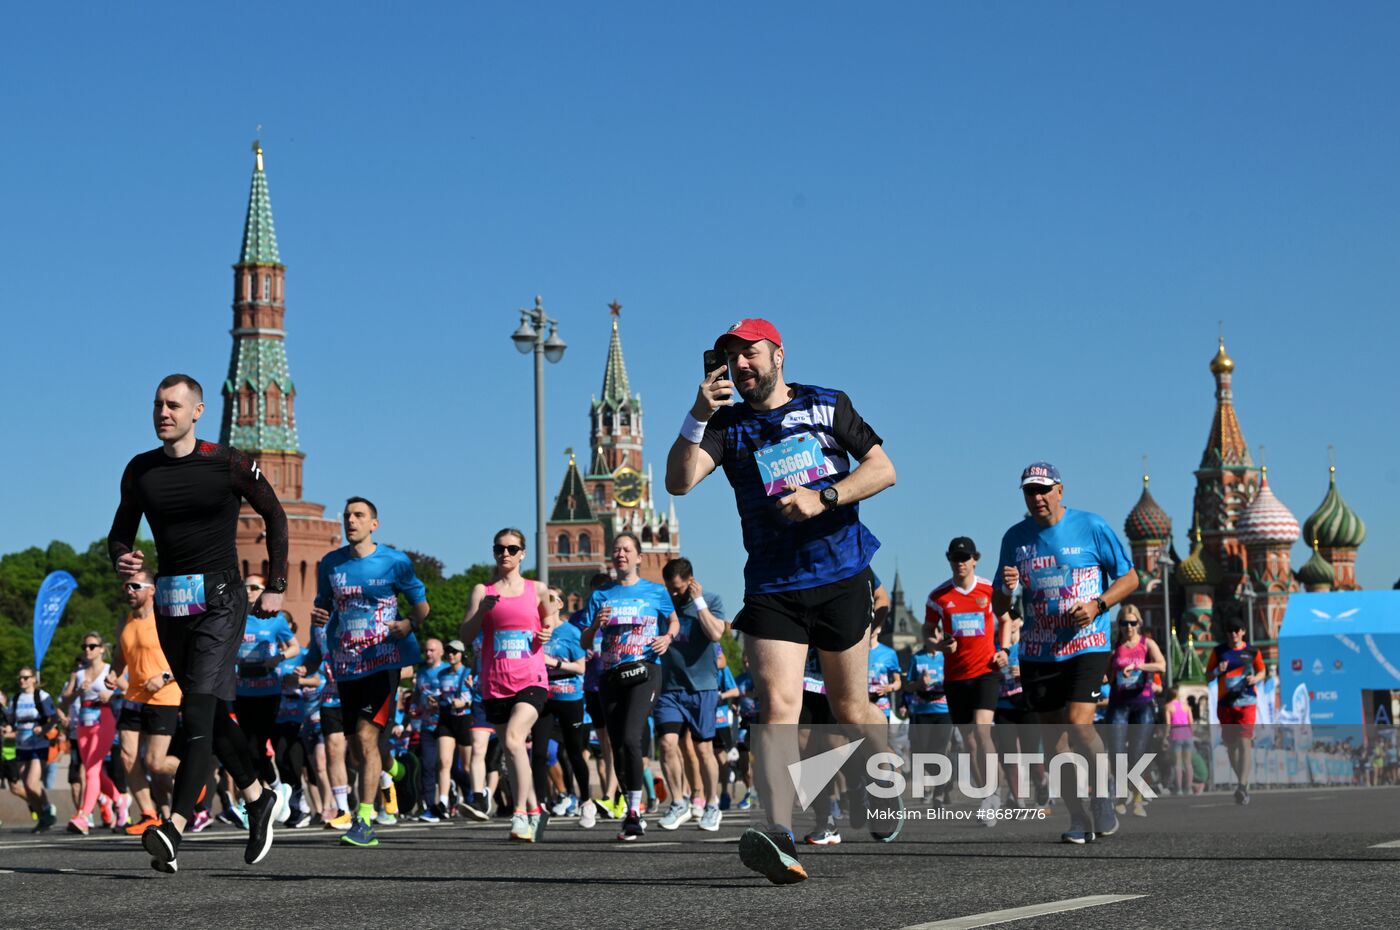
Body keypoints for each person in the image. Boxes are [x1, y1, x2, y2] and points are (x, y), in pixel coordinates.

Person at [665, 318, 898, 884]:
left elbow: (883, 469)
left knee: (851, 710)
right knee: (777, 707)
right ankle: (779, 835)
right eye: (731, 357)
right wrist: (697, 412)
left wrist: (826, 497)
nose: (741, 365)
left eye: (750, 354)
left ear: (778, 355)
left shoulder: (827, 404)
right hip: (772, 585)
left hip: (842, 573)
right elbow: (677, 482)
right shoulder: (726, 427)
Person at [108, 373, 287, 872]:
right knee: (210, 713)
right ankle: (257, 798)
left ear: (198, 412)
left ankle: (175, 828)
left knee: (197, 712)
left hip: (222, 600)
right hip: (171, 605)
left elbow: (275, 516)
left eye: (173, 406)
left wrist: (274, 584)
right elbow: (120, 533)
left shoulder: (226, 462)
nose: (163, 413)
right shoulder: (140, 471)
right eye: (157, 405)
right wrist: (122, 557)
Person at [991, 462, 1138, 844]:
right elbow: (999, 607)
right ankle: (1077, 815)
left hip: (1086, 643)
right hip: (1039, 650)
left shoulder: (1091, 526)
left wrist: (1099, 606)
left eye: (1043, 489)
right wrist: (1006, 590)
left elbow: (1130, 577)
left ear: (1060, 490)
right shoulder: (1015, 538)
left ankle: (1102, 795)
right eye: (1029, 491)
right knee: (1055, 740)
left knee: (1079, 723)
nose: (1037, 498)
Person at [308, 496, 430, 848]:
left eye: (359, 515)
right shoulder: (331, 563)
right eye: (347, 515)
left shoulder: (394, 561)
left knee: (365, 737)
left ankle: (364, 821)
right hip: (346, 664)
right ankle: (394, 769)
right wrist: (320, 615)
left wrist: (408, 623)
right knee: (359, 751)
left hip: (382, 659)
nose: (351, 520)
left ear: (373, 524)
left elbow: (421, 606)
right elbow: (324, 605)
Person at [580, 532, 679, 842]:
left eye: (626, 549)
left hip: (645, 671)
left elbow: (674, 621)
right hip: (610, 675)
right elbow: (585, 641)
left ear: (638, 557)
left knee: (632, 737)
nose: (620, 554)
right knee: (618, 744)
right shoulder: (601, 595)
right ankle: (630, 807)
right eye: (616, 550)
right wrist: (596, 624)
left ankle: (634, 812)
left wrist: (667, 637)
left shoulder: (655, 592)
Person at [460, 528, 557, 842]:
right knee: (513, 752)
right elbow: (464, 636)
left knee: (515, 740)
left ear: (522, 554)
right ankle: (534, 810)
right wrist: (483, 612)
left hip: (531, 678)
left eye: (512, 549)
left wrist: (547, 631)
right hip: (496, 681)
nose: (505, 554)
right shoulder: (483, 590)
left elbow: (551, 616)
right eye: (499, 549)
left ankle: (519, 814)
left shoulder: (536, 589)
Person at [927, 536, 1008, 822]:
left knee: (981, 729)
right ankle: (988, 791)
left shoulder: (988, 589)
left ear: (975, 559)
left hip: (986, 672)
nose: (960, 563)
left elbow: (1007, 619)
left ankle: (993, 795)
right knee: (969, 741)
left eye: (965, 558)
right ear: (949, 560)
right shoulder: (939, 597)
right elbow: (928, 631)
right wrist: (938, 646)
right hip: (955, 676)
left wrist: (1005, 650)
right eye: (955, 558)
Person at [656, 557, 729, 832]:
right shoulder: (664, 606)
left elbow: (716, 634)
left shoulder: (711, 599)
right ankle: (678, 802)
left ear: (691, 581)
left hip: (702, 687)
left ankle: (711, 804)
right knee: (667, 744)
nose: (674, 594)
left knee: (702, 749)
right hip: (669, 688)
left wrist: (699, 604)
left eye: (677, 588)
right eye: (669, 588)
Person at [109, 571, 182, 834]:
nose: (128, 590)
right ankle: (148, 814)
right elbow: (120, 657)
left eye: (135, 586)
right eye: (126, 586)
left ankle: (191, 777)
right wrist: (113, 673)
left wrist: (163, 677)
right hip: (133, 696)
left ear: (152, 590)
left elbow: (187, 657)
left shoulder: (165, 619)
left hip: (165, 695)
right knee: (127, 757)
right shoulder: (125, 621)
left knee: (155, 762)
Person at [234, 574, 299, 823]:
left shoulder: (275, 620)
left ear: (263, 591)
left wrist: (277, 659)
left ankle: (276, 788)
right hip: (242, 691)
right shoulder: (236, 618)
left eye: (254, 587)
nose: (248, 591)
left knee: (257, 746)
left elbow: (293, 646)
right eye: (245, 587)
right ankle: (267, 794)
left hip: (268, 692)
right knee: (246, 750)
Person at [1105, 604, 1165, 817]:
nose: (1128, 627)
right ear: (1119, 625)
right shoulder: (1115, 648)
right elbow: (1108, 677)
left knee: (1138, 752)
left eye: (1132, 623)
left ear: (1138, 623)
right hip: (1119, 702)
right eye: (1124, 623)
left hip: (1142, 703)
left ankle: (1138, 797)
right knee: (1116, 750)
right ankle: (1122, 795)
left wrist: (1139, 667)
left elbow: (1162, 665)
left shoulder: (1147, 644)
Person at [540, 591, 593, 828]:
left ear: (560, 604)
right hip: (543, 699)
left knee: (573, 752)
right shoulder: (535, 631)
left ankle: (586, 801)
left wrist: (554, 663)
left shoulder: (570, 631)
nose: (545, 602)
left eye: (550, 598)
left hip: (570, 697)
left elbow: (581, 668)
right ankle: (538, 807)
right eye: (541, 599)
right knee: (540, 753)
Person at [60, 633, 123, 834]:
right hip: (83, 723)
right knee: (92, 769)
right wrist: (79, 691)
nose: (87, 650)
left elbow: (129, 690)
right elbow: (64, 702)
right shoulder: (78, 674)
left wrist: (112, 694)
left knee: (91, 771)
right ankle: (121, 799)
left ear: (102, 649)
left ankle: (84, 816)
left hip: (104, 719)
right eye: (85, 646)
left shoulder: (110, 670)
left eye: (92, 646)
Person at [1206, 619, 1266, 805]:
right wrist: (1217, 671)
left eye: (1236, 630)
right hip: (1225, 704)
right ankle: (1242, 782)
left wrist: (1255, 678)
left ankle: (1241, 784)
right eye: (1229, 630)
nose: (1233, 633)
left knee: (1244, 742)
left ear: (1243, 632)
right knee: (1231, 746)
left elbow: (1262, 671)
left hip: (1247, 701)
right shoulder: (1219, 651)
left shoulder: (1252, 651)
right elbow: (1207, 676)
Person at [3, 668, 59, 832]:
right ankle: (43, 816)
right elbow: (11, 720)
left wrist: (44, 728)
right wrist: (8, 727)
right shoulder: (16, 698)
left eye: (26, 678)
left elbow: (54, 718)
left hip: (39, 745)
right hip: (21, 745)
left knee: (31, 782)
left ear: (34, 679)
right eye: (20, 678)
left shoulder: (42, 696)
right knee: (26, 787)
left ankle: (47, 808)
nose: (22, 681)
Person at [903, 624, 952, 805]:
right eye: (927, 633)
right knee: (922, 752)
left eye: (934, 632)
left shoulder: (948, 657)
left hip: (943, 710)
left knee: (940, 750)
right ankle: (945, 778)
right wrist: (919, 684)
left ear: (941, 634)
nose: (931, 636)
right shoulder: (916, 658)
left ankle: (938, 793)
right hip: (921, 711)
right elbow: (907, 685)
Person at [432, 639, 474, 820]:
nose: (450, 654)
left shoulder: (470, 673)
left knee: (466, 766)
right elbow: (440, 696)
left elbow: (479, 696)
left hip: (465, 719)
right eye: (448, 651)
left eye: (454, 651)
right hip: (446, 719)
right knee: (444, 761)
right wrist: (434, 701)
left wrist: (465, 702)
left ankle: (475, 796)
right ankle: (443, 801)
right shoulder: (441, 674)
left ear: (462, 654)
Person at [1164, 686, 1194, 796]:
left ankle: (1179, 788)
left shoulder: (1168, 706)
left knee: (1177, 763)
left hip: (1175, 734)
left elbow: (1168, 724)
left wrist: (1165, 737)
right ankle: (1189, 788)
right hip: (1187, 733)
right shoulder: (1186, 706)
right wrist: (1192, 734)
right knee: (1188, 763)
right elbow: (1191, 722)